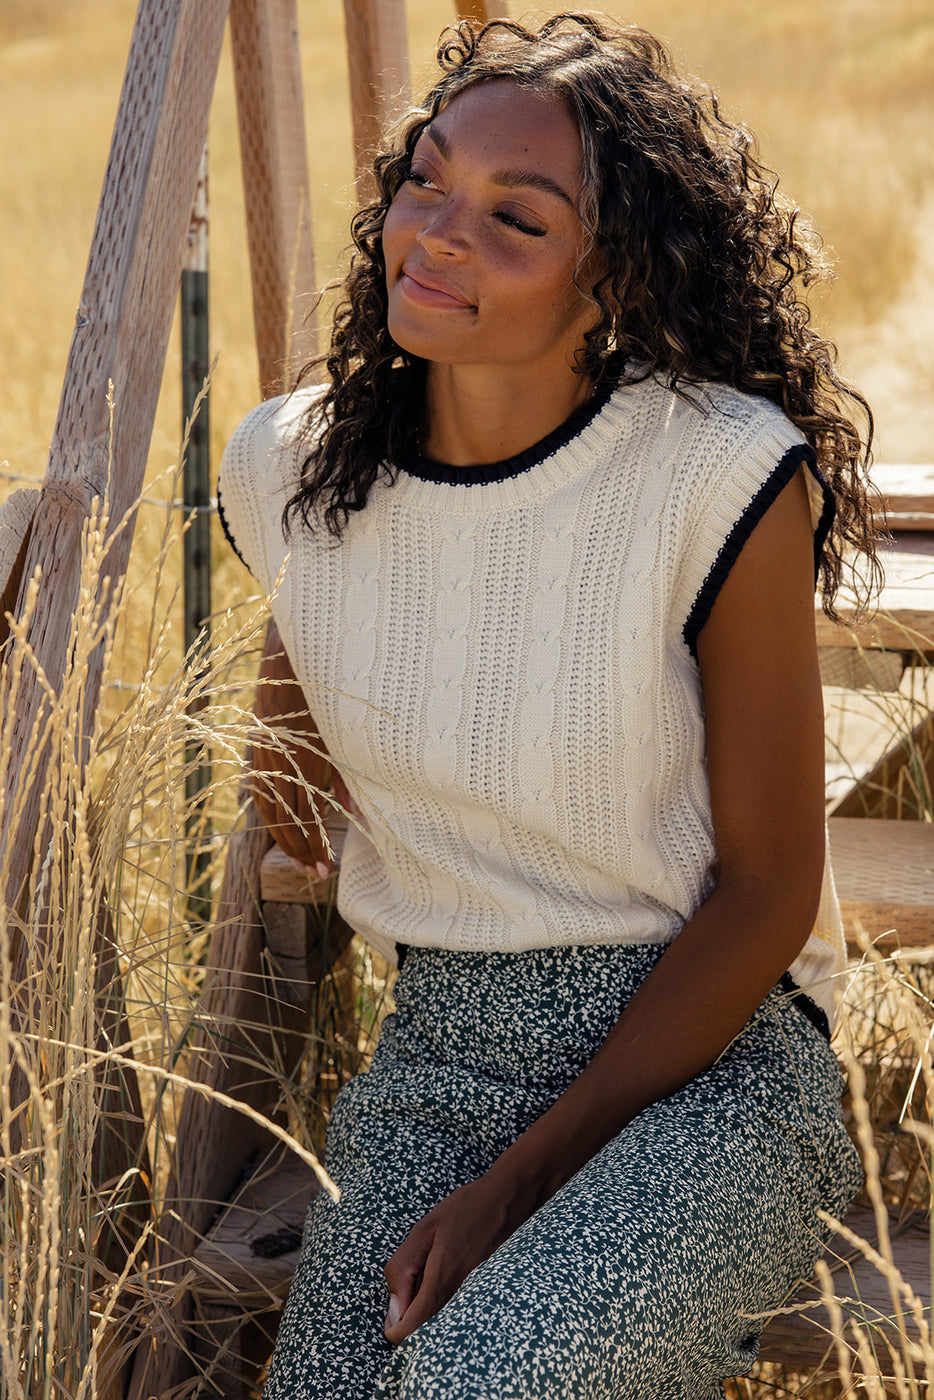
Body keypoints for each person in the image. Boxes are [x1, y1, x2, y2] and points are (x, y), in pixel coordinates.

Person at [218, 13, 879, 1398]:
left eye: (514, 219)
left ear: (614, 284)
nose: (436, 233)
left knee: (480, 1380)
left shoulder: (713, 474)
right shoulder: (289, 465)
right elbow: (293, 772)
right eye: (426, 179)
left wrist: (516, 1188)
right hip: (440, 1052)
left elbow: (767, 895)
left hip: (714, 1064)